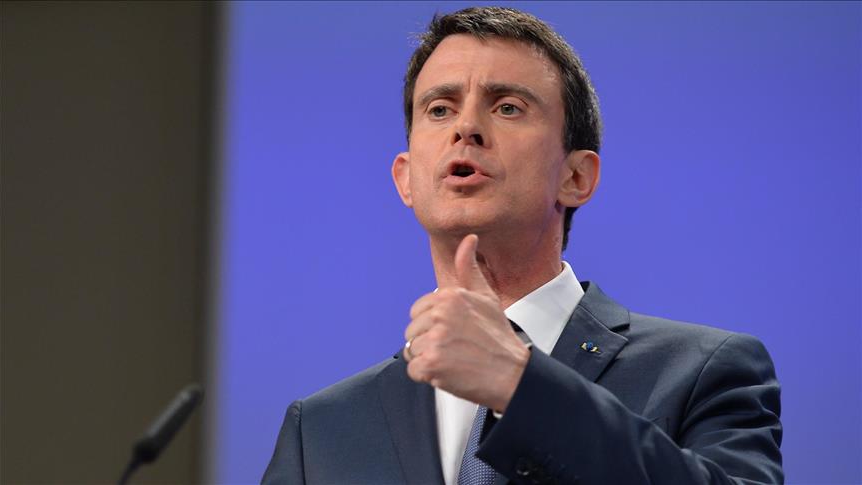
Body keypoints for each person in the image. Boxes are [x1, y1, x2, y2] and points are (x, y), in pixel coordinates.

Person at [262, 6, 783, 484]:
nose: (466, 127)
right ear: (406, 178)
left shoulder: (701, 373)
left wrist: (520, 386)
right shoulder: (322, 431)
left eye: (508, 107)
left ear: (576, 177)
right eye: (439, 109)